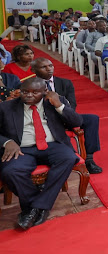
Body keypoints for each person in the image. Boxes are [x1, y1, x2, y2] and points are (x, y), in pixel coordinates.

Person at [0, 78, 81, 230]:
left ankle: (34, 209)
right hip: (22, 148)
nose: (29, 95)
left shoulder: (54, 101)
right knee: (10, 171)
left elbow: (77, 122)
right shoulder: (6, 107)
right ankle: (38, 207)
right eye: (25, 92)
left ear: (45, 92)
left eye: (34, 92)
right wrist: (6, 142)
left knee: (69, 158)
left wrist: (59, 105)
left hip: (53, 144)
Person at [31, 58, 103, 174]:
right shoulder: (29, 85)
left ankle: (89, 159)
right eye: (44, 67)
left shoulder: (65, 82)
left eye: (50, 66)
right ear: (33, 70)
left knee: (92, 119)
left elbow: (72, 104)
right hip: (44, 121)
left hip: (64, 115)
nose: (49, 69)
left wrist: (64, 113)